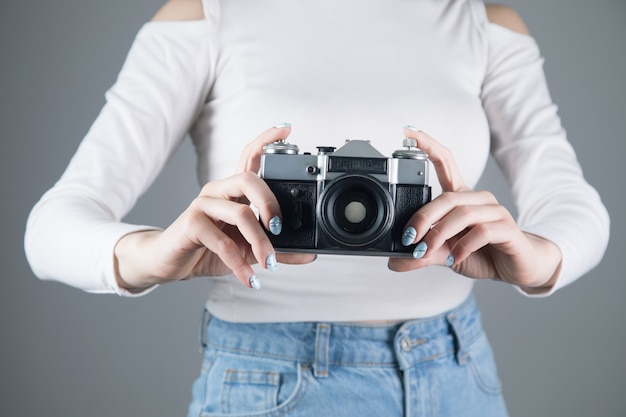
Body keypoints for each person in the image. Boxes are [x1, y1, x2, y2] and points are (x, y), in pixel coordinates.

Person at [24, 0, 610, 416]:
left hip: (456, 370)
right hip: (269, 377)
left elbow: (570, 199)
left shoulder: (483, 23)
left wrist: (539, 261)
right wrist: (153, 254)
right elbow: (50, 228)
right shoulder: (208, 15)